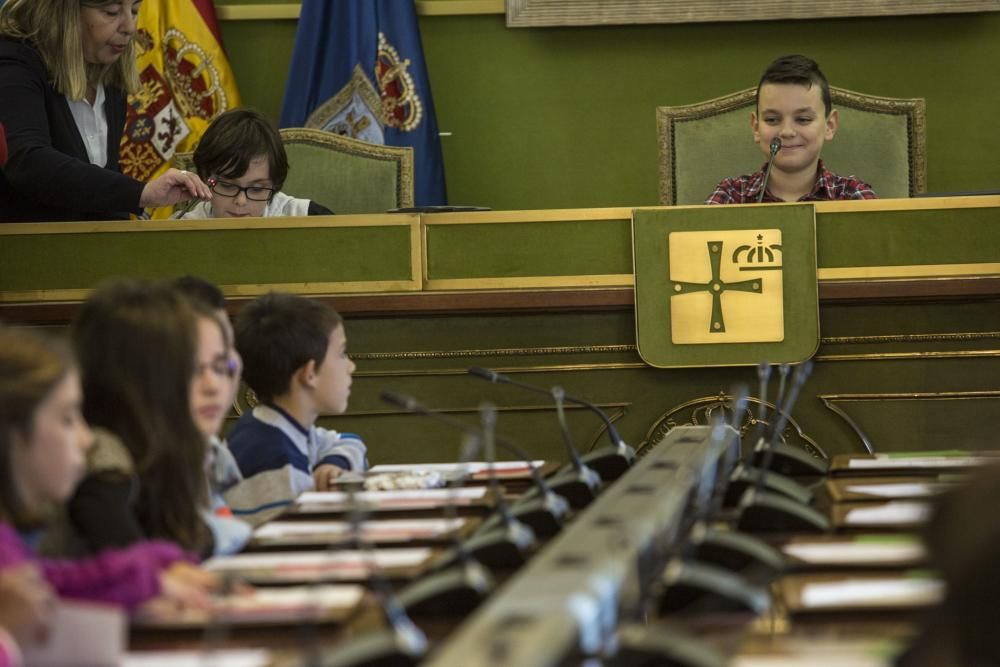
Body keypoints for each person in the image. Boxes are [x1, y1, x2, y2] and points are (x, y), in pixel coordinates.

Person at [0, 324, 216, 624]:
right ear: (12, 434)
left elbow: (51, 582)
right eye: (67, 418)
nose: (86, 439)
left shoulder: (9, 541)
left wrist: (152, 564)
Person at [0, 0, 212, 222]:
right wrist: (139, 193)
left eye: (134, 11)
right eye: (111, 12)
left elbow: (99, 180)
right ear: (66, 12)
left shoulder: (109, 71)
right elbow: (28, 162)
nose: (130, 27)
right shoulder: (13, 63)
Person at [49, 280, 217, 558]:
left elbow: (194, 539)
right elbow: (135, 571)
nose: (209, 383)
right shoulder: (100, 457)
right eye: (193, 366)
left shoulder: (161, 448)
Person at [227, 293, 366, 511]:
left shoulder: (286, 428)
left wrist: (334, 463)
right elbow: (284, 542)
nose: (351, 366)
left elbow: (352, 443)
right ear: (309, 374)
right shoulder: (273, 459)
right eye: (342, 354)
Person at [705, 55, 877, 204]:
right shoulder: (732, 196)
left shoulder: (853, 196)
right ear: (756, 127)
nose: (787, 132)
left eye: (803, 119)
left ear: (830, 125)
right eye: (772, 120)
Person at [172, 276, 252, 554]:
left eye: (222, 359)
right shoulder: (152, 458)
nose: (213, 382)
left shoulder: (208, 449)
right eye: (194, 364)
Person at [173, 108, 333, 219]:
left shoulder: (307, 218)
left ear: (274, 184)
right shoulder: (180, 229)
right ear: (206, 178)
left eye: (256, 189)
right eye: (228, 186)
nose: (241, 201)